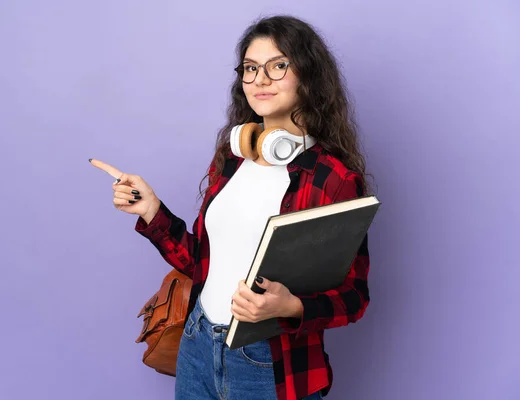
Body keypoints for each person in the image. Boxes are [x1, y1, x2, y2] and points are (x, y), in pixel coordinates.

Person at [90, 14, 372, 400]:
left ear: (308, 76)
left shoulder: (333, 179)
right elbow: (201, 264)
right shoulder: (231, 158)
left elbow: (354, 297)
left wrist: (290, 306)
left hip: (269, 365)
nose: (259, 79)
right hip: (198, 344)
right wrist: (151, 211)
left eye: (277, 66)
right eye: (251, 68)